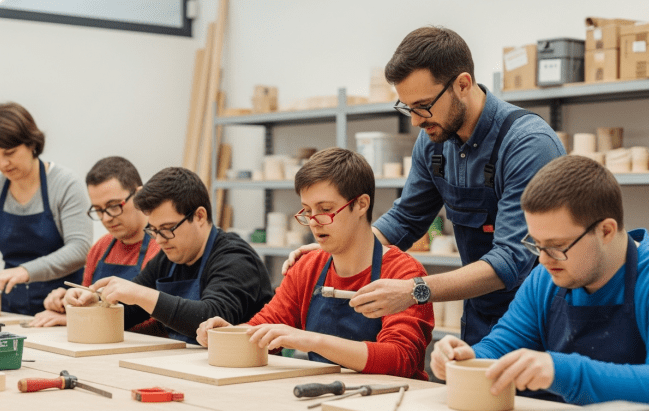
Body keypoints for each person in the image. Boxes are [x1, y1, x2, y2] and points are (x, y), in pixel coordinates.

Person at [283, 26, 566, 345]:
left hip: (541, 319)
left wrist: (416, 290)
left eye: (423, 106)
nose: (416, 121)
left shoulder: (527, 145)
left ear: (462, 85)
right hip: (481, 314)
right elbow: (406, 219)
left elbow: (513, 259)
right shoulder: (435, 142)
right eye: (407, 108)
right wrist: (339, 246)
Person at [431, 156, 649, 411]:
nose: (543, 259)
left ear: (606, 231)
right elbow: (500, 349)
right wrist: (466, 358)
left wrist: (561, 371)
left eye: (557, 246)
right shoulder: (544, 280)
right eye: (537, 244)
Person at [197, 148, 434, 380]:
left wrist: (310, 339)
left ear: (361, 204)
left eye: (326, 210)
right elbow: (267, 327)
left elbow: (401, 359)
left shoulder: (403, 273)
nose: (314, 222)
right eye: (307, 211)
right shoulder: (308, 267)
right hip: (327, 394)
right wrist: (229, 333)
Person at [64, 167, 274, 344]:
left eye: (167, 228)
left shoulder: (235, 258)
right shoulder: (169, 258)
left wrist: (139, 293)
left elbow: (211, 317)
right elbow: (129, 312)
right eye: (153, 230)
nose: (159, 240)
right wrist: (96, 301)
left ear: (199, 216)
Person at [0, 102, 91, 316]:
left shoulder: (65, 185)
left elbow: (79, 249)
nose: (3, 163)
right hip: (11, 309)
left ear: (32, 143)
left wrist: (25, 271)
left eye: (9, 152)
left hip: (62, 306)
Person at [29, 157, 162, 333]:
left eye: (114, 206)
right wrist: (68, 303)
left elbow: (159, 321)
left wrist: (76, 320)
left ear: (139, 195)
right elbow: (89, 300)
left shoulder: (162, 247)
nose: (106, 218)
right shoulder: (100, 248)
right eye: (98, 210)